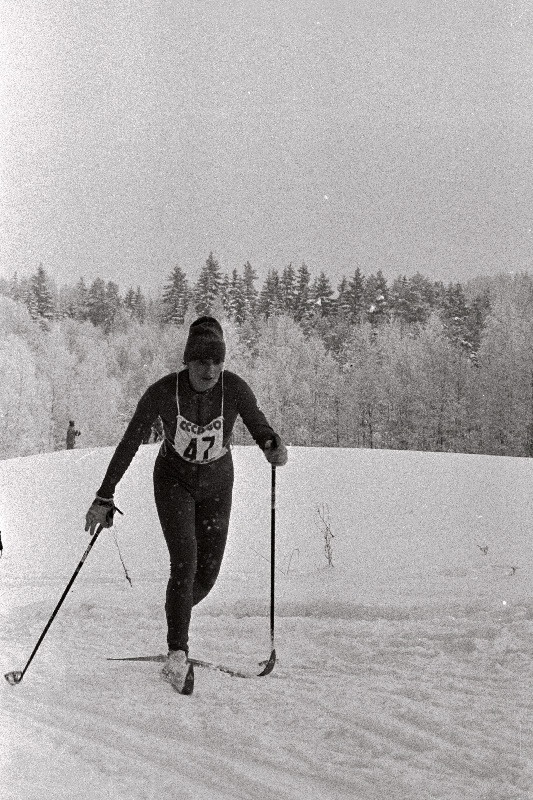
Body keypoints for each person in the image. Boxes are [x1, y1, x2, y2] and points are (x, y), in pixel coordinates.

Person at [85, 316, 288, 693]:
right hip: (173, 481)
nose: (209, 371)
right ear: (187, 361)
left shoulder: (234, 389)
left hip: (217, 484)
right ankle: (177, 654)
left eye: (217, 362)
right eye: (201, 362)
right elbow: (129, 443)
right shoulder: (163, 392)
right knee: (185, 562)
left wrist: (271, 445)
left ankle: (175, 612)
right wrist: (104, 495)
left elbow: (259, 425)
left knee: (206, 576)